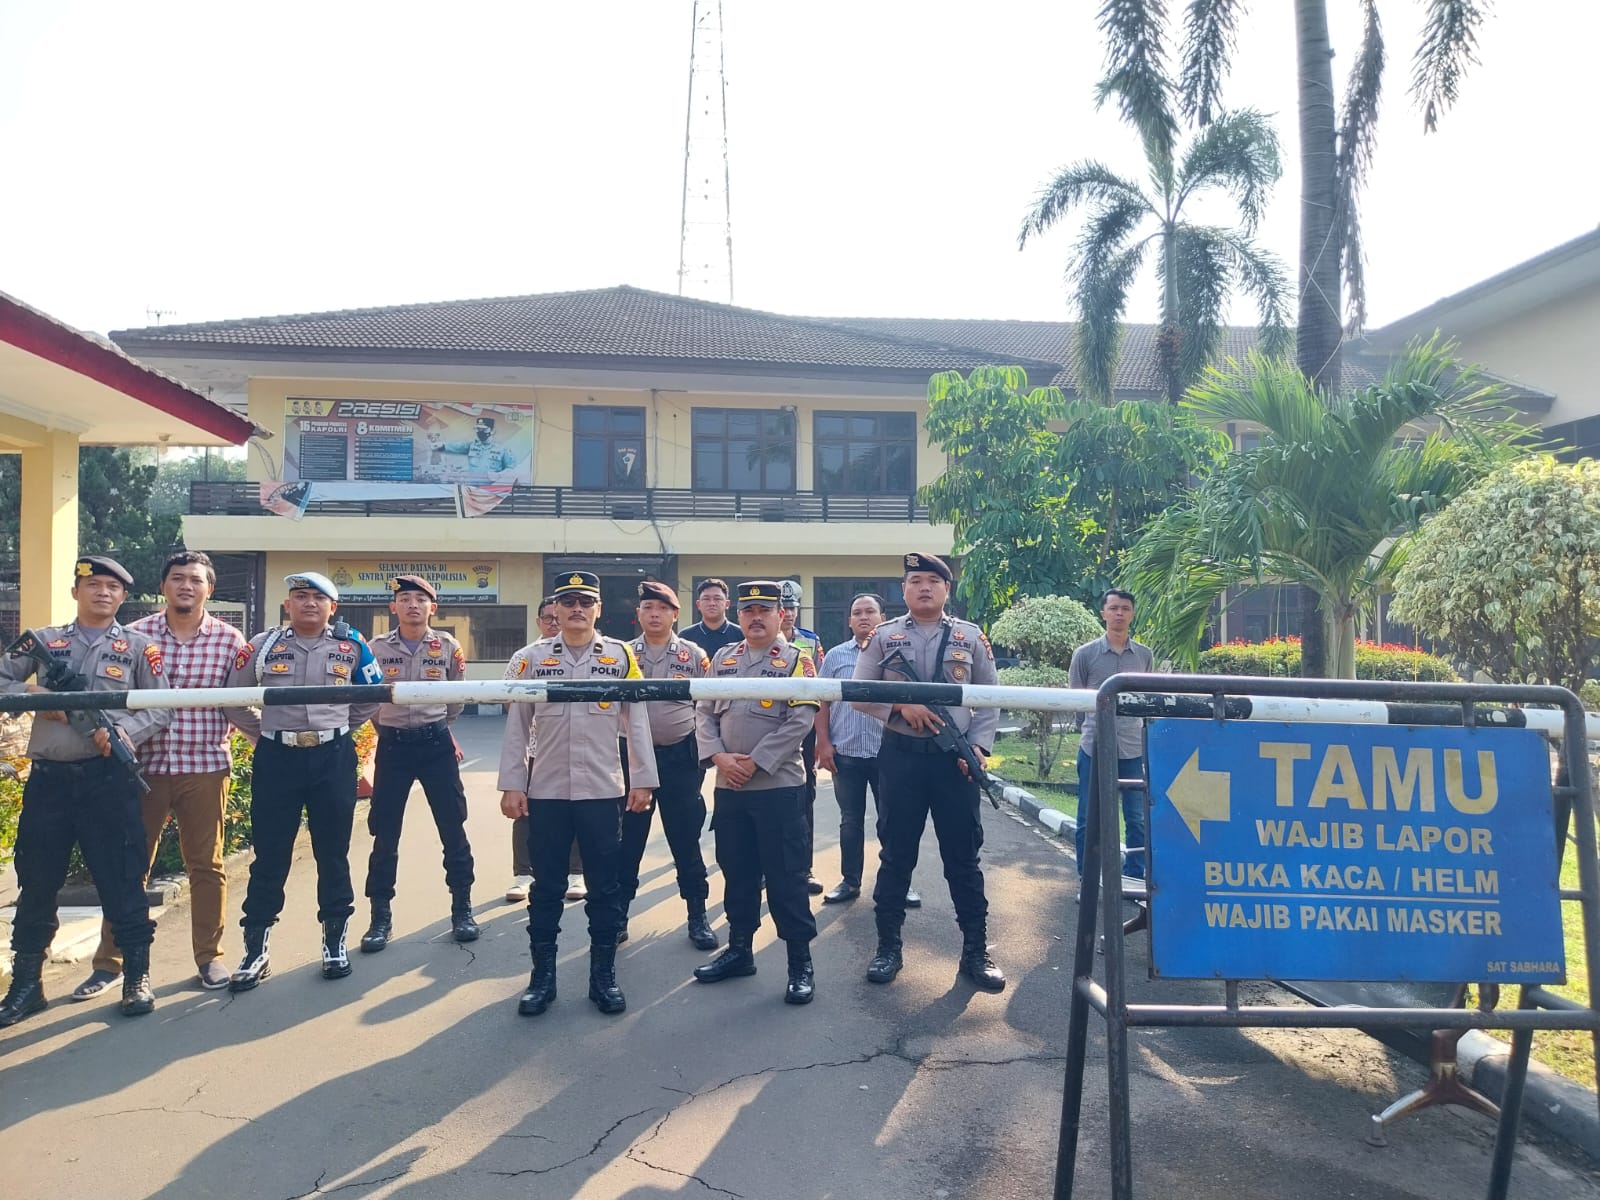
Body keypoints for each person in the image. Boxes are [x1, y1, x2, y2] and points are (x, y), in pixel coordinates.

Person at [0, 556, 172, 1026]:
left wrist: (124, 733)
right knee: (37, 884)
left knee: (123, 880)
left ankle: (136, 975)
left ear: (123, 597)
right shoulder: (45, 641)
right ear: (76, 592)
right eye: (93, 584)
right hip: (50, 782)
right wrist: (34, 695)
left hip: (107, 781)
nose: (103, 593)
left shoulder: (139, 647)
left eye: (112, 588)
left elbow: (161, 707)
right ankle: (26, 985)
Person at [76, 551, 248, 1001]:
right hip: (142, 769)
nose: (186, 586)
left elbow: (239, 702)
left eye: (195, 579)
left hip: (205, 767)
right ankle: (111, 962)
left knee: (207, 866)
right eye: (177, 578)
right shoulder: (135, 636)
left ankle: (209, 957)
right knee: (129, 866)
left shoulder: (230, 640)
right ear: (163, 586)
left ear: (209, 588)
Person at [497, 571, 657, 1017]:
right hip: (547, 790)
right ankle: (542, 979)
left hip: (602, 790)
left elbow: (637, 719)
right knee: (546, 887)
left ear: (598, 609)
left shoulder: (621, 656)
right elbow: (517, 726)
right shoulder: (530, 658)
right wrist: (513, 783)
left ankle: (602, 977)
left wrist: (643, 779)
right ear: (556, 608)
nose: (577, 609)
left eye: (585, 602)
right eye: (568, 602)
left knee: (604, 888)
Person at [851, 552, 1005, 992]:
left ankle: (975, 951)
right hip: (901, 758)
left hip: (955, 762)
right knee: (896, 855)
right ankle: (888, 948)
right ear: (903, 590)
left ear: (946, 590)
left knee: (963, 858)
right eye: (915, 580)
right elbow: (858, 693)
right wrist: (901, 706)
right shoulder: (883, 636)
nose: (924, 587)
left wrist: (978, 747)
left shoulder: (970, 637)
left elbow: (990, 696)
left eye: (933, 581)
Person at [222, 572, 384, 992]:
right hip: (278, 759)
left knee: (333, 853)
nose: (309, 603)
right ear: (287, 605)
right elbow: (233, 697)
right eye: (300, 596)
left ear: (333, 607)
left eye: (318, 597)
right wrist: (264, 735)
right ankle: (255, 951)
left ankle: (334, 944)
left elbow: (373, 693)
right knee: (269, 854)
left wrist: (339, 728)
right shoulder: (263, 646)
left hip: (332, 757)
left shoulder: (353, 645)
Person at [693, 580, 819, 1006]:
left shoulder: (797, 660)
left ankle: (800, 963)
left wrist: (756, 761)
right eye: (749, 611)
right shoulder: (723, 659)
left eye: (765, 610)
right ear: (740, 616)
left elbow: (801, 721)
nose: (756, 617)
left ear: (781, 615)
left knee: (787, 878)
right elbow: (703, 712)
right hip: (730, 787)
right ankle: (740, 951)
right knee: (738, 873)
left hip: (778, 787)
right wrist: (718, 756)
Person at [358, 575, 478, 953]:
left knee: (452, 826)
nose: (413, 605)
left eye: (420, 599)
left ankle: (462, 908)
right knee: (385, 831)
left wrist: (441, 726)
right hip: (393, 747)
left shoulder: (448, 646)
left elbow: (456, 697)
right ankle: (380, 916)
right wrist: (386, 729)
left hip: (435, 744)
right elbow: (370, 700)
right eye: (405, 598)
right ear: (393, 607)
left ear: (432, 607)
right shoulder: (375, 648)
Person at [618, 581, 718, 949]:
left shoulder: (693, 655)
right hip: (631, 758)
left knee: (685, 838)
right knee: (627, 841)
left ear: (675, 614)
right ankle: (617, 916)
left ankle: (697, 915)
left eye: (662, 608)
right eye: (648, 608)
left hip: (680, 757)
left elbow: (708, 706)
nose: (655, 614)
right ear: (638, 614)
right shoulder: (622, 655)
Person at [814, 592, 920, 909]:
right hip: (845, 753)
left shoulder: (896, 654)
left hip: (889, 753)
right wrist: (823, 743)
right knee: (850, 821)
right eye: (857, 612)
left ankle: (898, 884)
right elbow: (822, 702)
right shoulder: (835, 657)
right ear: (849, 621)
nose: (863, 617)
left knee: (892, 821)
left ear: (882, 618)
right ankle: (850, 881)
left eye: (869, 612)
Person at [1068, 589, 1154, 884]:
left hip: (1132, 749)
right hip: (1093, 747)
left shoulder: (1144, 655)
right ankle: (1088, 879)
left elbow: (1147, 700)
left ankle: (1134, 876)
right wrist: (1088, 729)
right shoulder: (1085, 655)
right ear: (1103, 613)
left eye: (1125, 608)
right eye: (1114, 608)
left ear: (1132, 614)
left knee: (1137, 818)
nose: (1119, 613)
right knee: (1088, 818)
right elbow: (1077, 701)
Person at [506, 596, 562, 903]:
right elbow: (508, 699)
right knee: (526, 813)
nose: (555, 623)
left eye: (558, 616)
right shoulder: (525, 657)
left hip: (576, 748)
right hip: (535, 748)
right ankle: (523, 874)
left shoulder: (595, 654)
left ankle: (576, 871)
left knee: (579, 808)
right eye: (548, 618)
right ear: (538, 622)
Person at [778, 580, 825, 896]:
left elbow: (820, 690)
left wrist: (821, 737)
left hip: (803, 732)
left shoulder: (810, 641)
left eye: (793, 608)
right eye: (784, 608)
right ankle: (766, 867)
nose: (789, 613)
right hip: (766, 728)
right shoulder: (754, 641)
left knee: (804, 797)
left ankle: (804, 868)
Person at [429, 415, 519, 474]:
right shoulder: (472, 446)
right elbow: (457, 447)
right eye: (478, 429)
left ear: (492, 431)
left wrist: (499, 475)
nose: (480, 432)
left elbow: (512, 468)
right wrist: (441, 446)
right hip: (471, 488)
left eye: (484, 429)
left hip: (492, 489)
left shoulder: (502, 448)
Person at [681, 577, 741, 656]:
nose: (712, 603)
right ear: (698, 605)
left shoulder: (741, 635)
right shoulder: (685, 636)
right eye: (706, 599)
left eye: (717, 599)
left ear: (727, 604)